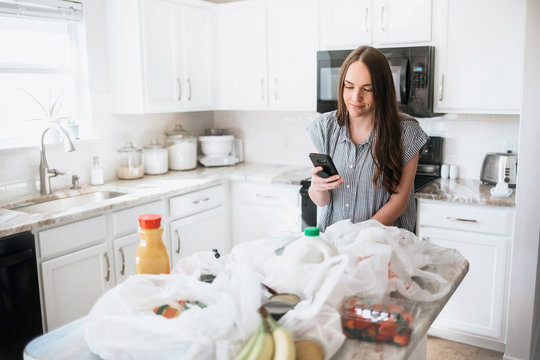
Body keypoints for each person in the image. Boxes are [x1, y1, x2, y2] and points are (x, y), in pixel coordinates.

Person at [307, 45, 428, 232]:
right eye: (349, 87)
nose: (356, 98)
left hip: (383, 247)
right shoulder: (324, 127)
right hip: (336, 246)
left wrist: (359, 238)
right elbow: (323, 201)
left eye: (367, 89)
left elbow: (399, 202)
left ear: (382, 90)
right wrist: (317, 186)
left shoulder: (406, 133)